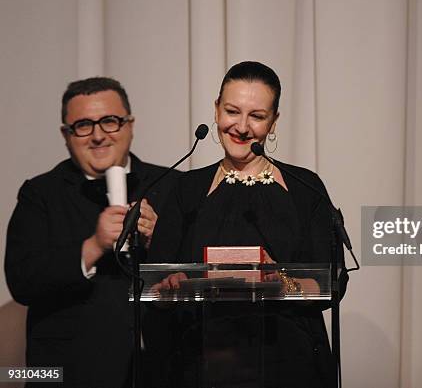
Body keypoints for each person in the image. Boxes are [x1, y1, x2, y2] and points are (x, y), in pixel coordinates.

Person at [148, 61, 347, 388]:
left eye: (256, 116)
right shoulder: (185, 189)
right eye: (231, 111)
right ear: (215, 110)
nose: (241, 127)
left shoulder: (304, 188)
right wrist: (174, 284)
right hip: (201, 364)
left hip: (289, 364)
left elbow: (329, 283)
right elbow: (155, 281)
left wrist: (279, 279)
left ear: (274, 122)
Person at [5, 77, 177, 388]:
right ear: (66, 135)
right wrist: (93, 246)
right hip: (69, 372)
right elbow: (22, 280)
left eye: (110, 121)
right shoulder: (40, 194)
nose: (98, 136)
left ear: (129, 125)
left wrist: (159, 240)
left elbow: (201, 273)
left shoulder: (172, 184)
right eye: (83, 125)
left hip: (161, 368)